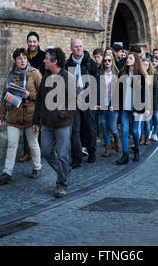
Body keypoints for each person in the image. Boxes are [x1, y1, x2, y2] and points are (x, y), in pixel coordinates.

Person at [32, 47, 77, 198]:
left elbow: (73, 102)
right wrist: (35, 121)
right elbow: (39, 101)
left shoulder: (68, 78)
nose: (43, 61)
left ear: (54, 61)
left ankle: (61, 184)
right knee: (46, 151)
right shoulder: (45, 77)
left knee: (63, 155)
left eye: (46, 58)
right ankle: (63, 170)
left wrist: (61, 114)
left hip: (63, 123)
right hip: (47, 123)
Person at [0, 48, 42, 184]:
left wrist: (30, 95)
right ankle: (7, 173)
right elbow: (5, 96)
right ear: (15, 60)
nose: (22, 60)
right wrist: (1, 116)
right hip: (14, 116)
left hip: (30, 117)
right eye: (19, 58)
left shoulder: (35, 73)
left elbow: (44, 94)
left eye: (24, 58)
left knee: (33, 144)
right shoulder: (11, 74)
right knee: (12, 144)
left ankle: (37, 167)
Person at [65, 38, 99, 168]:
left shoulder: (90, 63)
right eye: (76, 46)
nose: (79, 48)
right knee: (75, 130)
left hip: (88, 100)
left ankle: (92, 152)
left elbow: (96, 81)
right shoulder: (68, 64)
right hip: (74, 101)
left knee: (90, 128)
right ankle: (76, 158)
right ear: (71, 48)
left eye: (80, 46)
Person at [116, 51, 150, 164]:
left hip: (136, 109)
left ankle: (136, 150)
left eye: (130, 58)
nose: (128, 59)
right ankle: (125, 155)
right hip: (125, 108)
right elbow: (118, 92)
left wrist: (139, 110)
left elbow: (145, 94)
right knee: (124, 131)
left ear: (135, 61)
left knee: (135, 131)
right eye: (127, 58)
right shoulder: (122, 75)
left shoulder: (141, 76)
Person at [18, 31, 46, 163]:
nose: (32, 44)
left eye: (34, 41)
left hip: (40, 93)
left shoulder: (43, 56)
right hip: (26, 95)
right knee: (27, 123)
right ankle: (27, 152)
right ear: (27, 42)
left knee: (39, 124)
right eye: (30, 41)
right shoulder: (24, 56)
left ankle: (40, 151)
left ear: (38, 42)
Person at [98, 51, 121, 157]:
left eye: (109, 60)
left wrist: (114, 104)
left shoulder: (117, 73)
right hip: (103, 103)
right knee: (104, 126)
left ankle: (117, 139)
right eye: (105, 60)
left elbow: (119, 91)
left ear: (112, 61)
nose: (107, 62)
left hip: (113, 103)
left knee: (112, 126)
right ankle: (108, 148)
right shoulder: (100, 73)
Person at [140, 58, 158, 146]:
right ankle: (141, 137)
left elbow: (155, 92)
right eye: (143, 64)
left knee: (147, 122)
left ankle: (147, 137)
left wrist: (154, 107)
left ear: (149, 66)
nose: (145, 66)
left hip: (149, 103)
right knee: (140, 122)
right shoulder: (138, 75)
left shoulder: (153, 77)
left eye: (146, 65)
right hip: (139, 102)